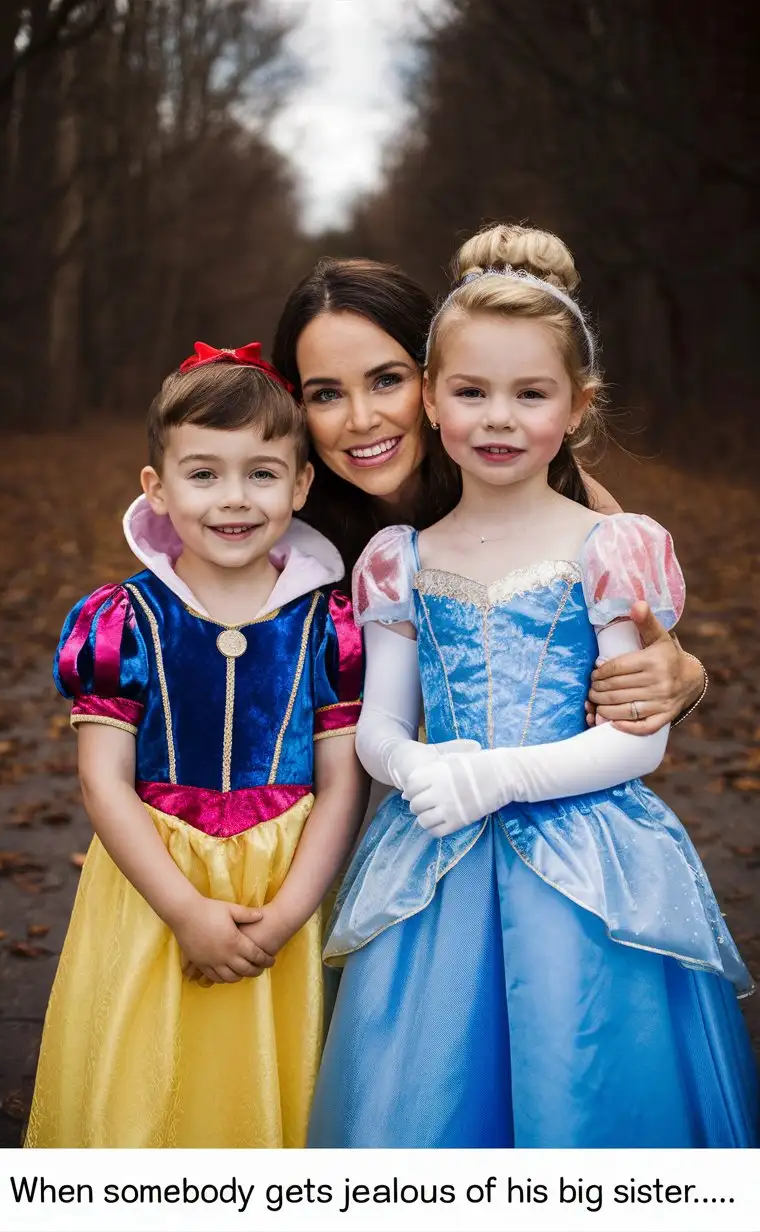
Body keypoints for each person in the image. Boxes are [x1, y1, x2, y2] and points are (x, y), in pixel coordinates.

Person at [306, 224, 758, 1148]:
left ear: (578, 407)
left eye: (530, 395)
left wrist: (498, 777)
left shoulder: (607, 541)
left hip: (586, 856)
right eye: (471, 392)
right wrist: (414, 763)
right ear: (436, 401)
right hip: (434, 848)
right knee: (428, 1087)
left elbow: (641, 729)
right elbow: (381, 721)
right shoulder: (397, 559)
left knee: (581, 1068)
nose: (498, 418)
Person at [24, 342, 366, 1148]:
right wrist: (183, 909)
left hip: (282, 881)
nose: (233, 499)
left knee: (263, 1092)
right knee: (141, 1081)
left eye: (261, 473)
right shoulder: (123, 621)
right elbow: (103, 781)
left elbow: (341, 785)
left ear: (301, 484)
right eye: (203, 474)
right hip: (155, 886)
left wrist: (286, 916)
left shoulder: (328, 623)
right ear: (158, 487)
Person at [272, 256, 708, 736]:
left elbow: (643, 659)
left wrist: (687, 675)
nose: (361, 420)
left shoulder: (561, 494)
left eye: (387, 380)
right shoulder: (283, 529)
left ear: (434, 379)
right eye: (326, 395)